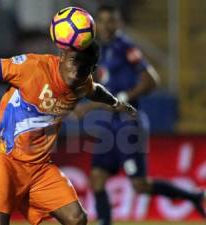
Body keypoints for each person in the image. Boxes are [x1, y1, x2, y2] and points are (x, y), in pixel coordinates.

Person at [0, 32, 137, 224]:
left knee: (77, 219)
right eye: (74, 61)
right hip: (0, 156)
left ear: (92, 69)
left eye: (85, 68)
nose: (77, 71)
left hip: (38, 167)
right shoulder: (32, 67)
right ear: (62, 55)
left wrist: (116, 102)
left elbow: (96, 91)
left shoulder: (83, 84)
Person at [74, 6, 206, 225]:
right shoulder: (101, 50)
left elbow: (152, 80)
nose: (107, 26)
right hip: (110, 124)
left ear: (120, 24)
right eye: (103, 21)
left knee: (140, 185)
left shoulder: (126, 48)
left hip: (128, 124)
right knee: (97, 178)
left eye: (111, 21)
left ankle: (193, 196)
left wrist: (123, 96)